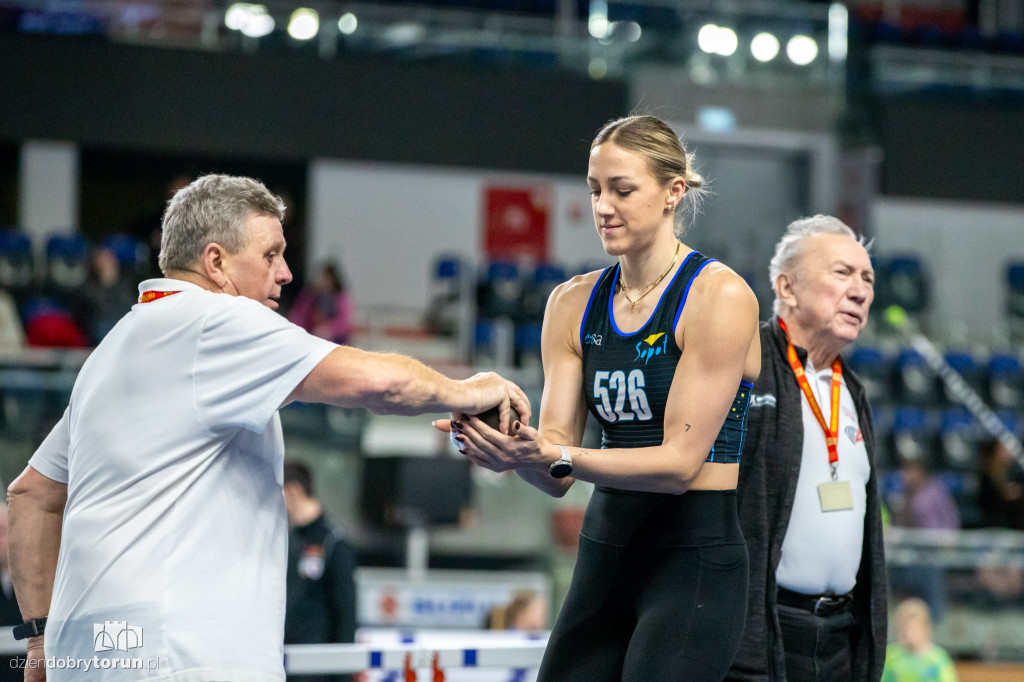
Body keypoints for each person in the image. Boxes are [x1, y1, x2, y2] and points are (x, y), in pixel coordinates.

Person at [5, 174, 530, 682]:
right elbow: (376, 382)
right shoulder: (215, 321)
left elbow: (31, 495)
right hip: (184, 652)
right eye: (271, 255)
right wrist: (471, 388)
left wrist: (38, 641)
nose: (285, 274)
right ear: (216, 262)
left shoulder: (110, 353)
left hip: (92, 654)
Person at [441, 115, 761, 681]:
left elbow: (678, 466)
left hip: (692, 562)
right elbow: (557, 467)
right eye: (594, 190)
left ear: (673, 192)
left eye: (622, 189)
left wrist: (554, 456)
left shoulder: (720, 295)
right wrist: (510, 449)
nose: (603, 207)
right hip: (606, 549)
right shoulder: (571, 302)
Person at [726, 215, 887, 682]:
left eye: (867, 278)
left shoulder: (852, 391)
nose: (859, 290)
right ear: (787, 287)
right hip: (763, 632)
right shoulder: (745, 362)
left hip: (839, 637)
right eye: (842, 273)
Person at [283, 461, 356, 682]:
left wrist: (343, 675)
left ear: (293, 491)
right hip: (286, 665)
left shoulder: (334, 543)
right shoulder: (288, 541)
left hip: (318, 671)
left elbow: (346, 617)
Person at [881, 598, 958, 682]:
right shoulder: (888, 656)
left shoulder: (939, 660)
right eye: (902, 628)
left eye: (911, 628)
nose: (906, 633)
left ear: (925, 628)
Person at [288, 262, 354, 344]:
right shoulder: (310, 296)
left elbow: (344, 322)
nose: (321, 280)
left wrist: (329, 330)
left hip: (335, 341)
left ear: (332, 279)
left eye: (325, 278)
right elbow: (299, 315)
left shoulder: (340, 297)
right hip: (311, 337)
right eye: (320, 277)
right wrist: (296, 330)